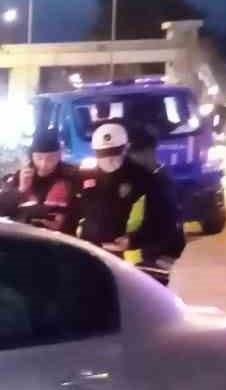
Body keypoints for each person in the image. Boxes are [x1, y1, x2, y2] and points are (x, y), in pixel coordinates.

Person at [76, 122, 181, 286]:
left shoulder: (145, 179)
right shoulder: (85, 177)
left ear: (126, 148)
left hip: (137, 263)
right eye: (103, 154)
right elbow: (76, 213)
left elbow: (164, 223)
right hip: (93, 258)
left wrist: (133, 241)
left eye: (114, 152)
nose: (109, 159)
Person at [0, 130, 81, 233]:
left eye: (50, 158)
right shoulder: (22, 175)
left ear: (59, 155)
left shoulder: (71, 175)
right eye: (39, 158)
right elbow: (0, 209)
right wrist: (21, 190)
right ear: (32, 156)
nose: (44, 164)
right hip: (27, 237)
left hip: (61, 239)